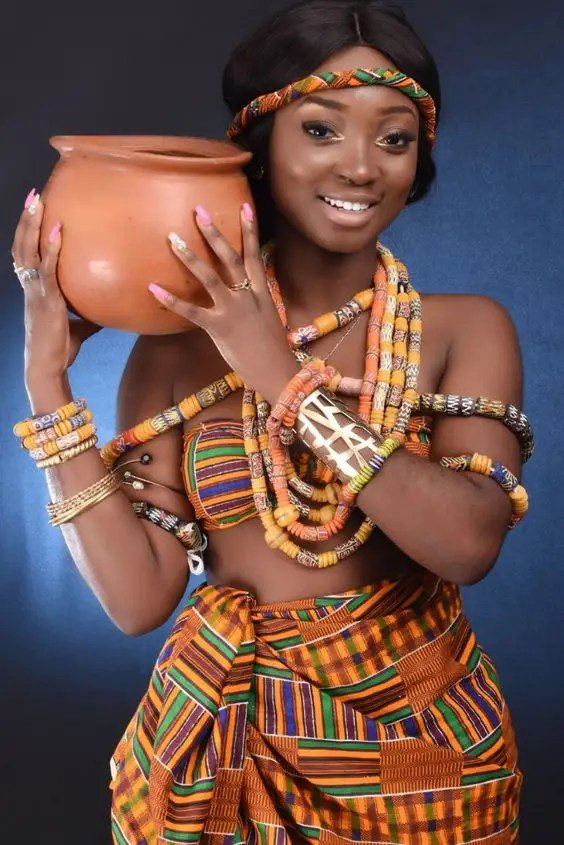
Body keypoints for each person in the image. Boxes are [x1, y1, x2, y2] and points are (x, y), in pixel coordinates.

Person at [11, 1, 533, 842]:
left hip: (427, 763)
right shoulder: (172, 356)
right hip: (228, 747)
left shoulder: (462, 331)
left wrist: (281, 377)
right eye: (322, 131)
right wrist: (46, 383)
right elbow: (139, 598)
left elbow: (468, 545)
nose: (361, 167)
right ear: (258, 148)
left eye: (394, 138)